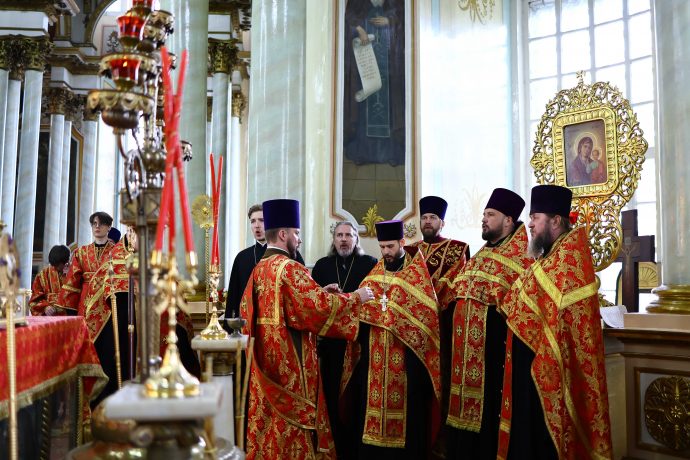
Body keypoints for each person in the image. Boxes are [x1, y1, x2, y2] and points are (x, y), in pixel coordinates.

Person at [240, 199, 374, 459]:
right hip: (290, 368)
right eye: (296, 233)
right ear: (283, 234)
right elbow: (318, 308)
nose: (299, 240)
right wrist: (356, 297)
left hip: (266, 366)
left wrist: (320, 291)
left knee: (270, 428)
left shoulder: (260, 269)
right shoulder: (289, 268)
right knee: (292, 430)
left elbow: (281, 308)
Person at [496, 185, 612, 459]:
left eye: (535, 218)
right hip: (530, 373)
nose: (530, 225)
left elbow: (562, 321)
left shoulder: (569, 260)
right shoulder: (549, 256)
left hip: (550, 375)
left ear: (556, 221)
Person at [442, 188, 533, 460]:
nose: (484, 219)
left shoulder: (522, 259)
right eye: (484, 214)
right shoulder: (479, 256)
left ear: (508, 220)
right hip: (462, 365)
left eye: (490, 214)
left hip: (493, 363)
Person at [341, 219, 440, 459]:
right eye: (382, 247)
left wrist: (396, 320)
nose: (386, 252)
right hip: (374, 364)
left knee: (409, 418)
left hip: (407, 364)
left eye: (390, 246)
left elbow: (428, 319)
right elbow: (359, 314)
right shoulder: (374, 276)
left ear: (402, 243)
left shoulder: (416, 275)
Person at [84, 227, 201, 408]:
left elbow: (175, 301)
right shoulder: (115, 259)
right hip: (124, 333)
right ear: (131, 232)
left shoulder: (160, 261)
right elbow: (100, 301)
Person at [408, 195, 469, 458]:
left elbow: (457, 286)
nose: (428, 222)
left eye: (433, 217)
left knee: (441, 384)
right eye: (424, 217)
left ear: (442, 222)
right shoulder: (409, 251)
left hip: (442, 329)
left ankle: (440, 444)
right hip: (412, 330)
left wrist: (429, 303)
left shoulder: (457, 250)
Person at [311, 221, 378, 458]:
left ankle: (357, 450)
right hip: (331, 345)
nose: (343, 239)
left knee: (357, 398)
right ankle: (335, 448)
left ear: (356, 239)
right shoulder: (322, 266)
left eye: (348, 235)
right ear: (334, 239)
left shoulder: (370, 264)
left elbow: (375, 300)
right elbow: (313, 303)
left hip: (360, 345)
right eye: (339, 235)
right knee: (331, 396)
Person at [344, 0, 405, 166]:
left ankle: (390, 151)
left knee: (388, 101)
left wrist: (389, 21)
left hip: (388, 59)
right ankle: (364, 152)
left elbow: (402, 14)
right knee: (367, 101)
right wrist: (359, 29)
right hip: (365, 55)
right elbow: (349, 15)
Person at [224, 203, 305, 321]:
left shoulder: (290, 254)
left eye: (262, 220)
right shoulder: (242, 258)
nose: (257, 226)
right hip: (248, 323)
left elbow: (301, 291)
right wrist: (230, 327)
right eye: (253, 221)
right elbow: (233, 296)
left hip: (280, 322)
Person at [57, 211, 116, 315]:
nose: (97, 226)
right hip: (85, 304)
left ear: (109, 227)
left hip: (108, 302)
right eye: (94, 223)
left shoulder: (116, 251)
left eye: (101, 223)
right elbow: (73, 281)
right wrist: (71, 309)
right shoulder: (81, 252)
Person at [29, 244, 71, 316]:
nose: (55, 268)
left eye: (57, 265)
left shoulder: (75, 274)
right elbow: (34, 302)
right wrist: (45, 307)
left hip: (71, 318)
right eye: (53, 265)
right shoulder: (42, 276)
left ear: (66, 262)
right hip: (50, 319)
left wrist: (70, 276)